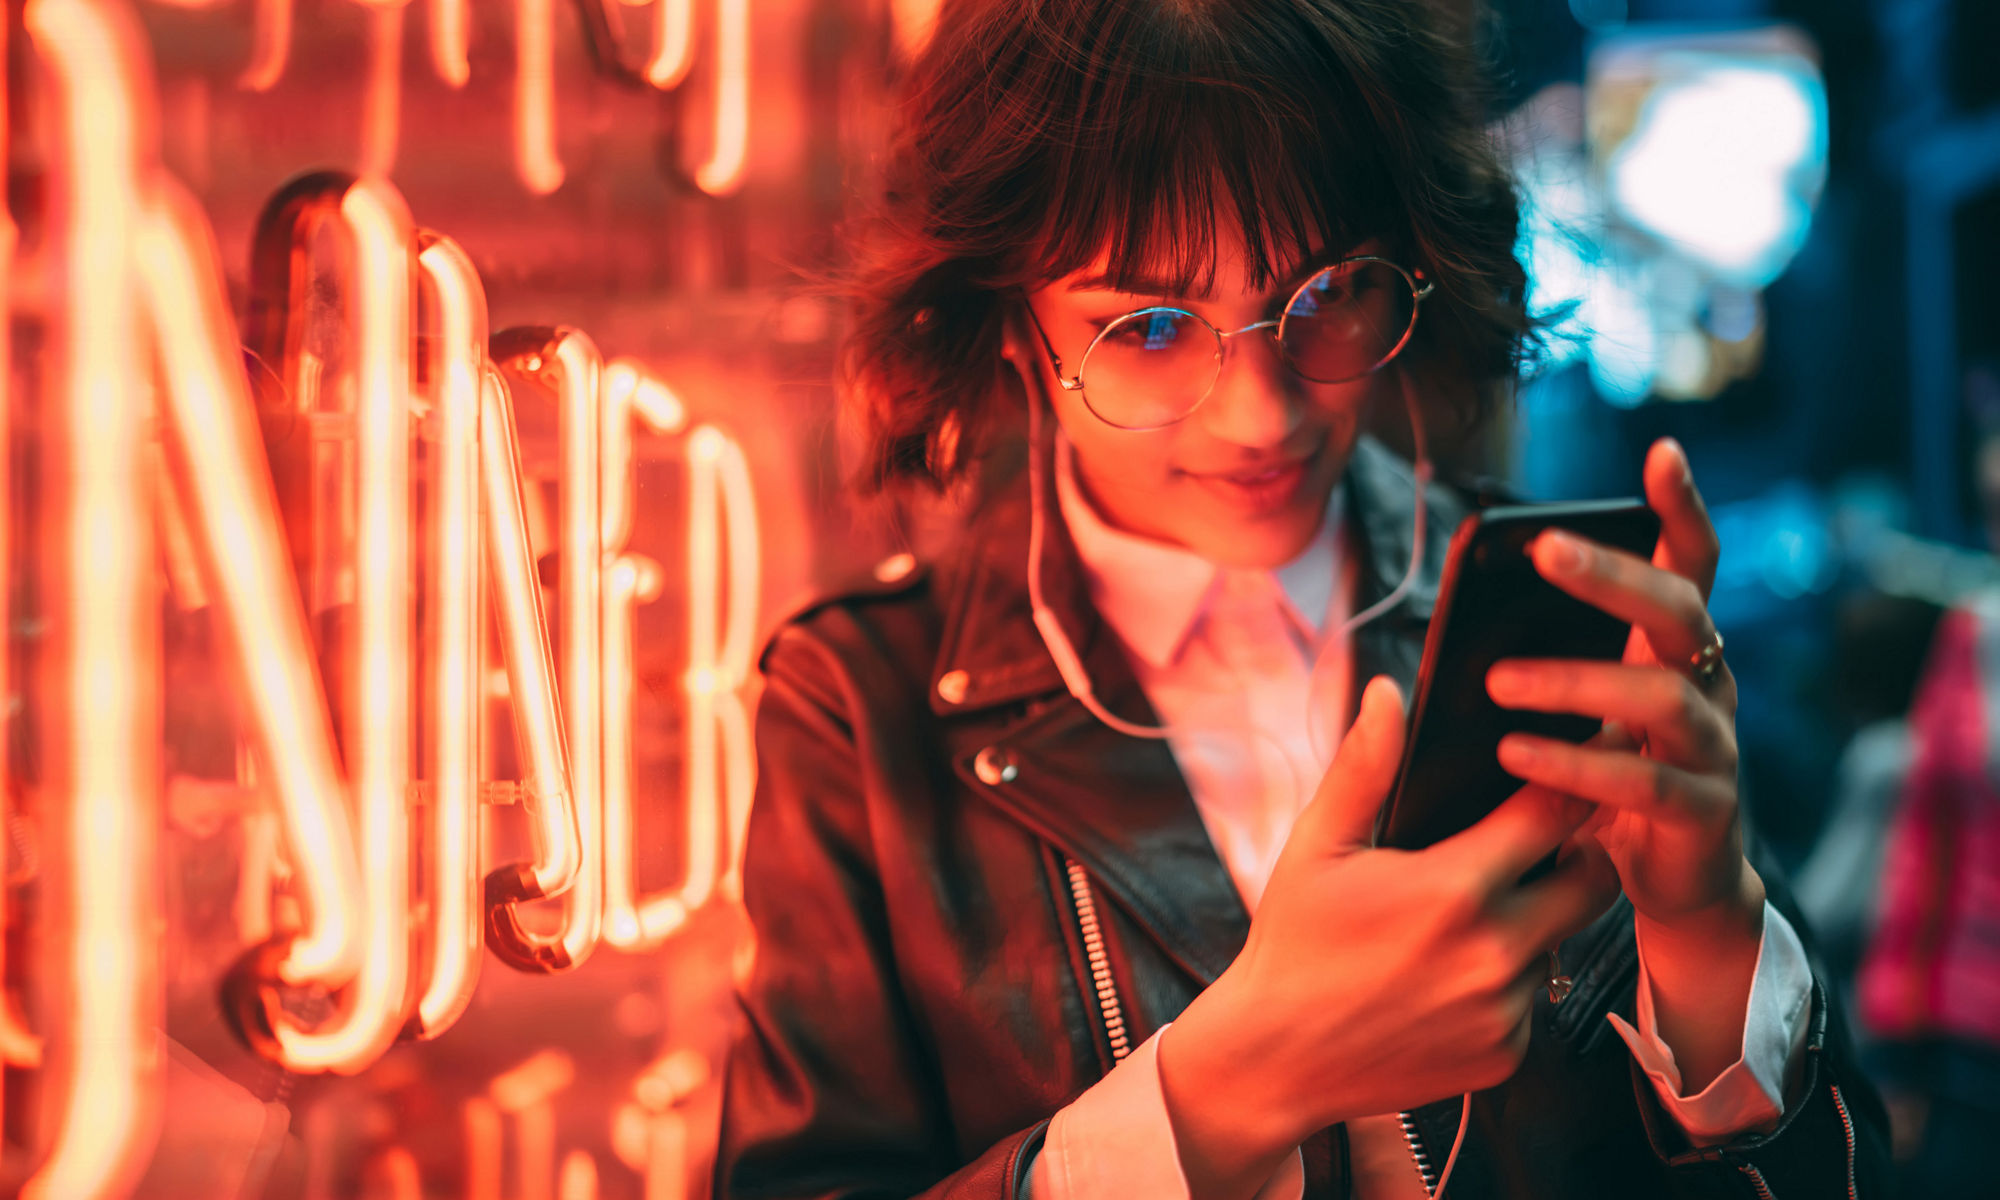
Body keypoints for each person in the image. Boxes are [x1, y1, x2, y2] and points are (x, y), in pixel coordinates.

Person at [715, 2, 1889, 1197]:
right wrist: (1228, 1089)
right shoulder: (861, 712)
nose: (1261, 415)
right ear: (1009, 324)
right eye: (1149, 325)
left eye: (1326, 292)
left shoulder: (1546, 608)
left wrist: (1705, 937)